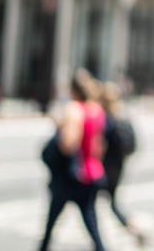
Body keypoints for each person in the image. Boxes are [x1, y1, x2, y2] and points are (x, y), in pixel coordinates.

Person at [40, 69, 107, 251]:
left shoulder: (73, 109)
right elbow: (100, 145)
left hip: (72, 175)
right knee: (91, 223)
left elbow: (68, 144)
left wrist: (60, 127)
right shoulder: (96, 110)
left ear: (72, 89)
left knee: (51, 222)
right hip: (92, 172)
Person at [99, 80, 146, 245]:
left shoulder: (106, 118)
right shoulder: (123, 114)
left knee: (91, 202)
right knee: (111, 203)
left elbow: (101, 144)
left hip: (104, 166)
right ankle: (133, 229)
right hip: (118, 166)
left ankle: (97, 241)